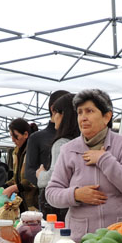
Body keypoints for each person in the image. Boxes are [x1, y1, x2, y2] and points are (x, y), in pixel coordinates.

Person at [46, 89, 122, 241]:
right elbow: (51, 192)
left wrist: (104, 159)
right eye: (79, 112)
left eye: (89, 111)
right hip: (82, 240)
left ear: (107, 116)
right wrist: (76, 194)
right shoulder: (68, 150)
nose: (83, 118)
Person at [25, 90, 69, 214]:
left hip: (73, 199)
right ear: (53, 109)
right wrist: (46, 180)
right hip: (49, 202)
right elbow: (29, 171)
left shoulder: (78, 137)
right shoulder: (37, 138)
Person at [37, 92, 78, 220]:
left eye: (55, 113)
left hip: (59, 208)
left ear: (64, 115)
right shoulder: (81, 141)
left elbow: (52, 177)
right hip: (76, 206)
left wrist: (40, 174)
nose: (53, 117)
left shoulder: (61, 143)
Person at [3, 118, 38, 210]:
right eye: (11, 136)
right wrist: (5, 186)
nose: (13, 140)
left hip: (34, 203)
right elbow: (17, 177)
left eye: (15, 136)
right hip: (21, 203)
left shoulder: (34, 150)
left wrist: (15, 188)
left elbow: (36, 178)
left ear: (26, 134)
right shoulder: (16, 152)